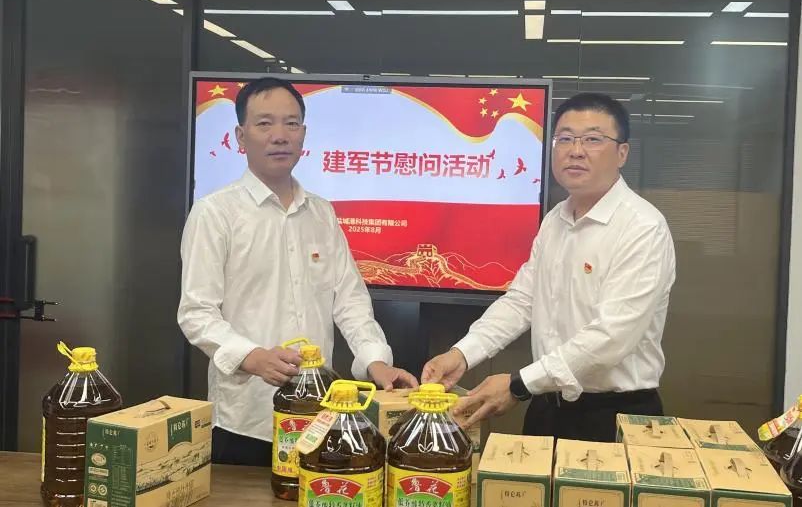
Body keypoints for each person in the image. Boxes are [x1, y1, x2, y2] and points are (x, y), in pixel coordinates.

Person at [178, 77, 417, 466]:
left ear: (303, 134)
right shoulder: (215, 213)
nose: (280, 135)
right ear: (241, 136)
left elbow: (350, 301)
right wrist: (251, 356)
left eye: (291, 124)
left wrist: (376, 360)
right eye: (264, 123)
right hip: (246, 420)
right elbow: (196, 313)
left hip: (318, 414)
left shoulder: (321, 212)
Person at [422, 92, 676, 442]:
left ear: (622, 153)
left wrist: (519, 385)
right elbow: (522, 301)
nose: (576, 150)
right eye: (565, 138)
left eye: (592, 139)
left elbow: (611, 338)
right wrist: (462, 354)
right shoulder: (556, 220)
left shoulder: (642, 227)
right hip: (547, 405)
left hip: (615, 414)